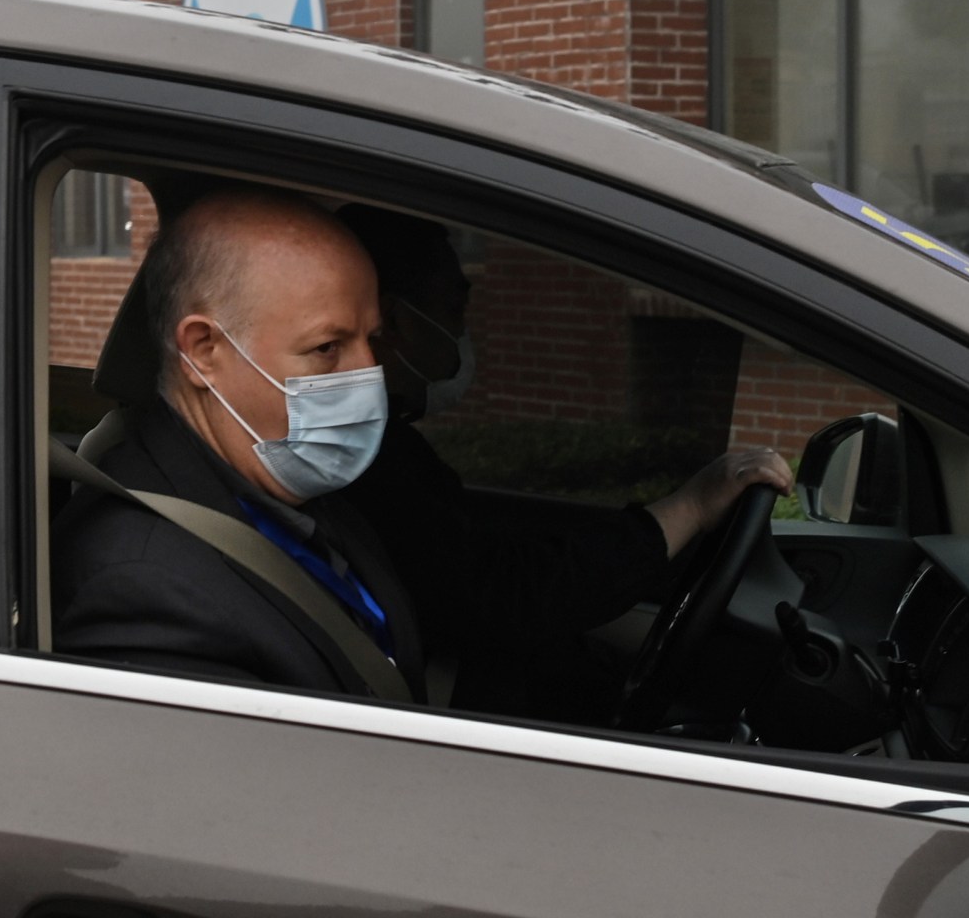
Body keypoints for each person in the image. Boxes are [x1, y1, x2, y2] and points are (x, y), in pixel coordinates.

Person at [51, 185, 789, 702]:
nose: (369, 376)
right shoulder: (147, 593)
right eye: (327, 349)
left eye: (372, 340)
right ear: (205, 352)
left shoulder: (282, 479)